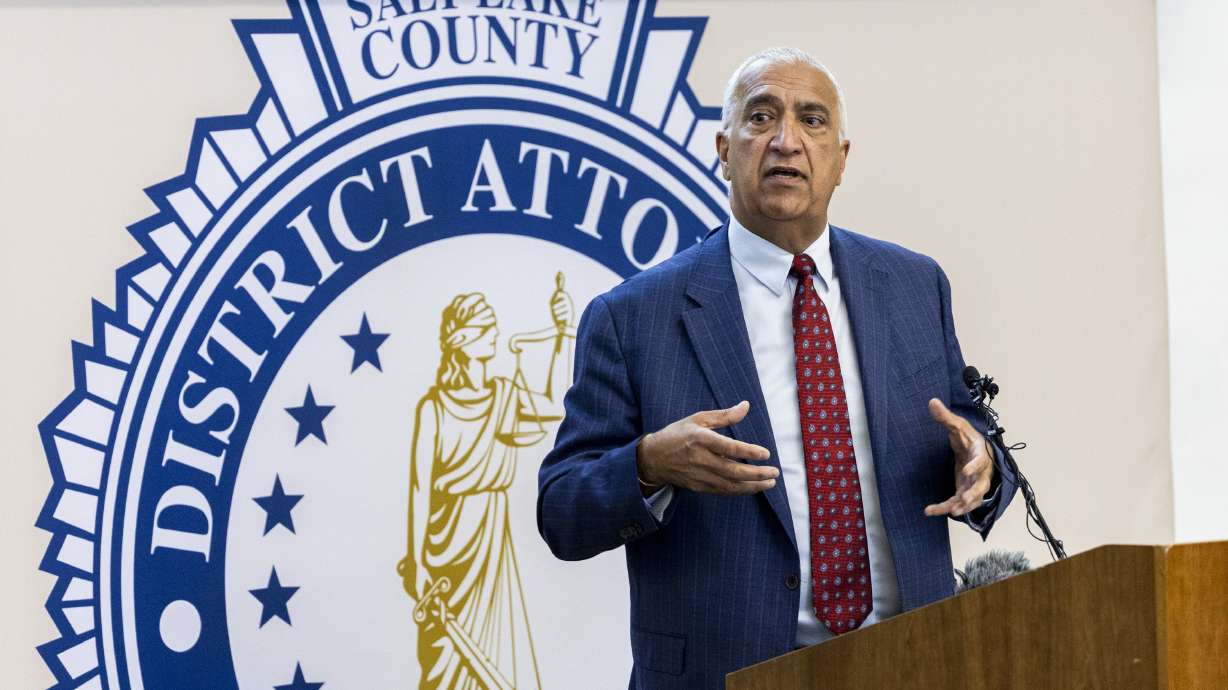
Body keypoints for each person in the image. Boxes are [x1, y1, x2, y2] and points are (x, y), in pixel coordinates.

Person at [537, 47, 1018, 688]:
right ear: (724, 148)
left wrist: (980, 463)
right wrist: (648, 463)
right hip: (724, 673)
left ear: (841, 160)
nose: (786, 141)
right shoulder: (634, 318)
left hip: (911, 663)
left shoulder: (914, 285)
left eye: (812, 121)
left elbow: (968, 434)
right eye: (761, 117)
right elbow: (563, 510)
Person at [399, 285, 574, 690]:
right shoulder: (434, 408)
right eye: (485, 327)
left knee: (495, 652)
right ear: (463, 340)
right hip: (447, 549)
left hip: (491, 544)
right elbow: (419, 491)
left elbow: (558, 402)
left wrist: (564, 332)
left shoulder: (502, 396)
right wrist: (418, 563)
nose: (495, 332)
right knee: (444, 659)